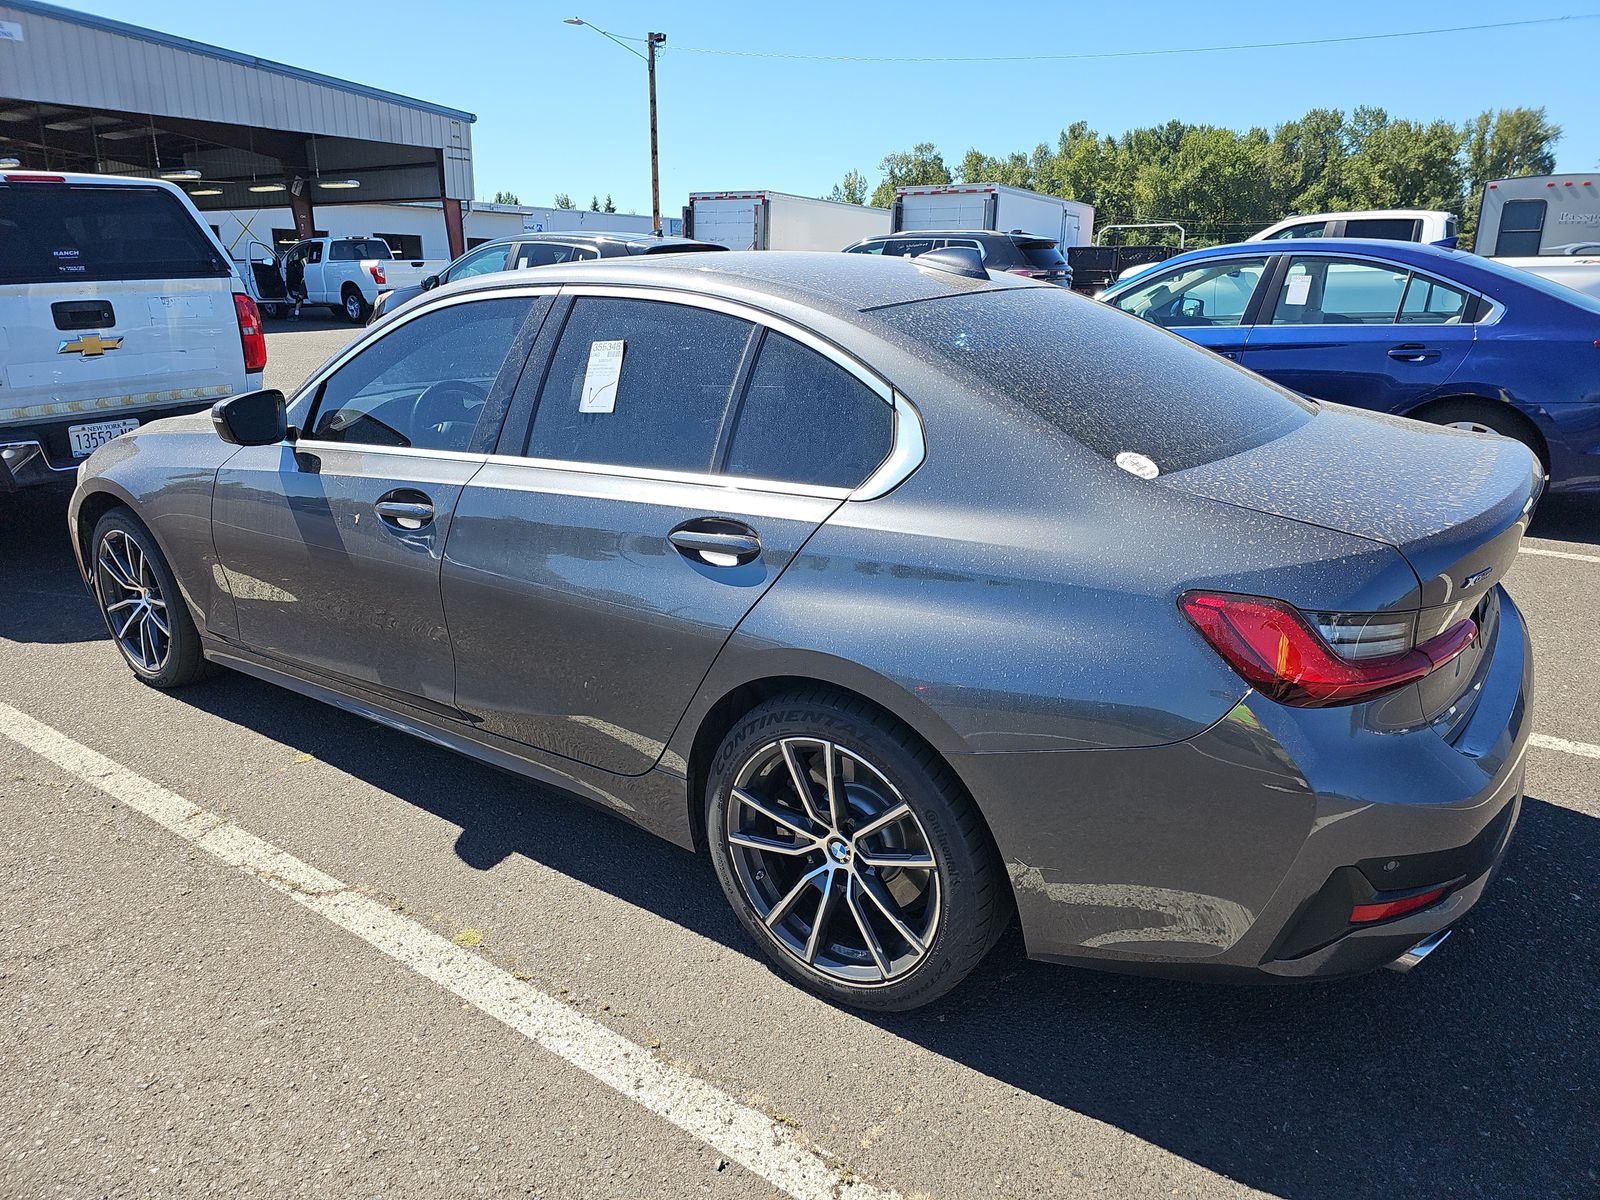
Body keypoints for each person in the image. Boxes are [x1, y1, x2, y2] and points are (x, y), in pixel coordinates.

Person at [285, 252, 307, 319]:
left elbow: (300, 272)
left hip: (305, 280)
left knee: (299, 297)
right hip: (315, 279)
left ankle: (296, 314)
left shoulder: (303, 260)